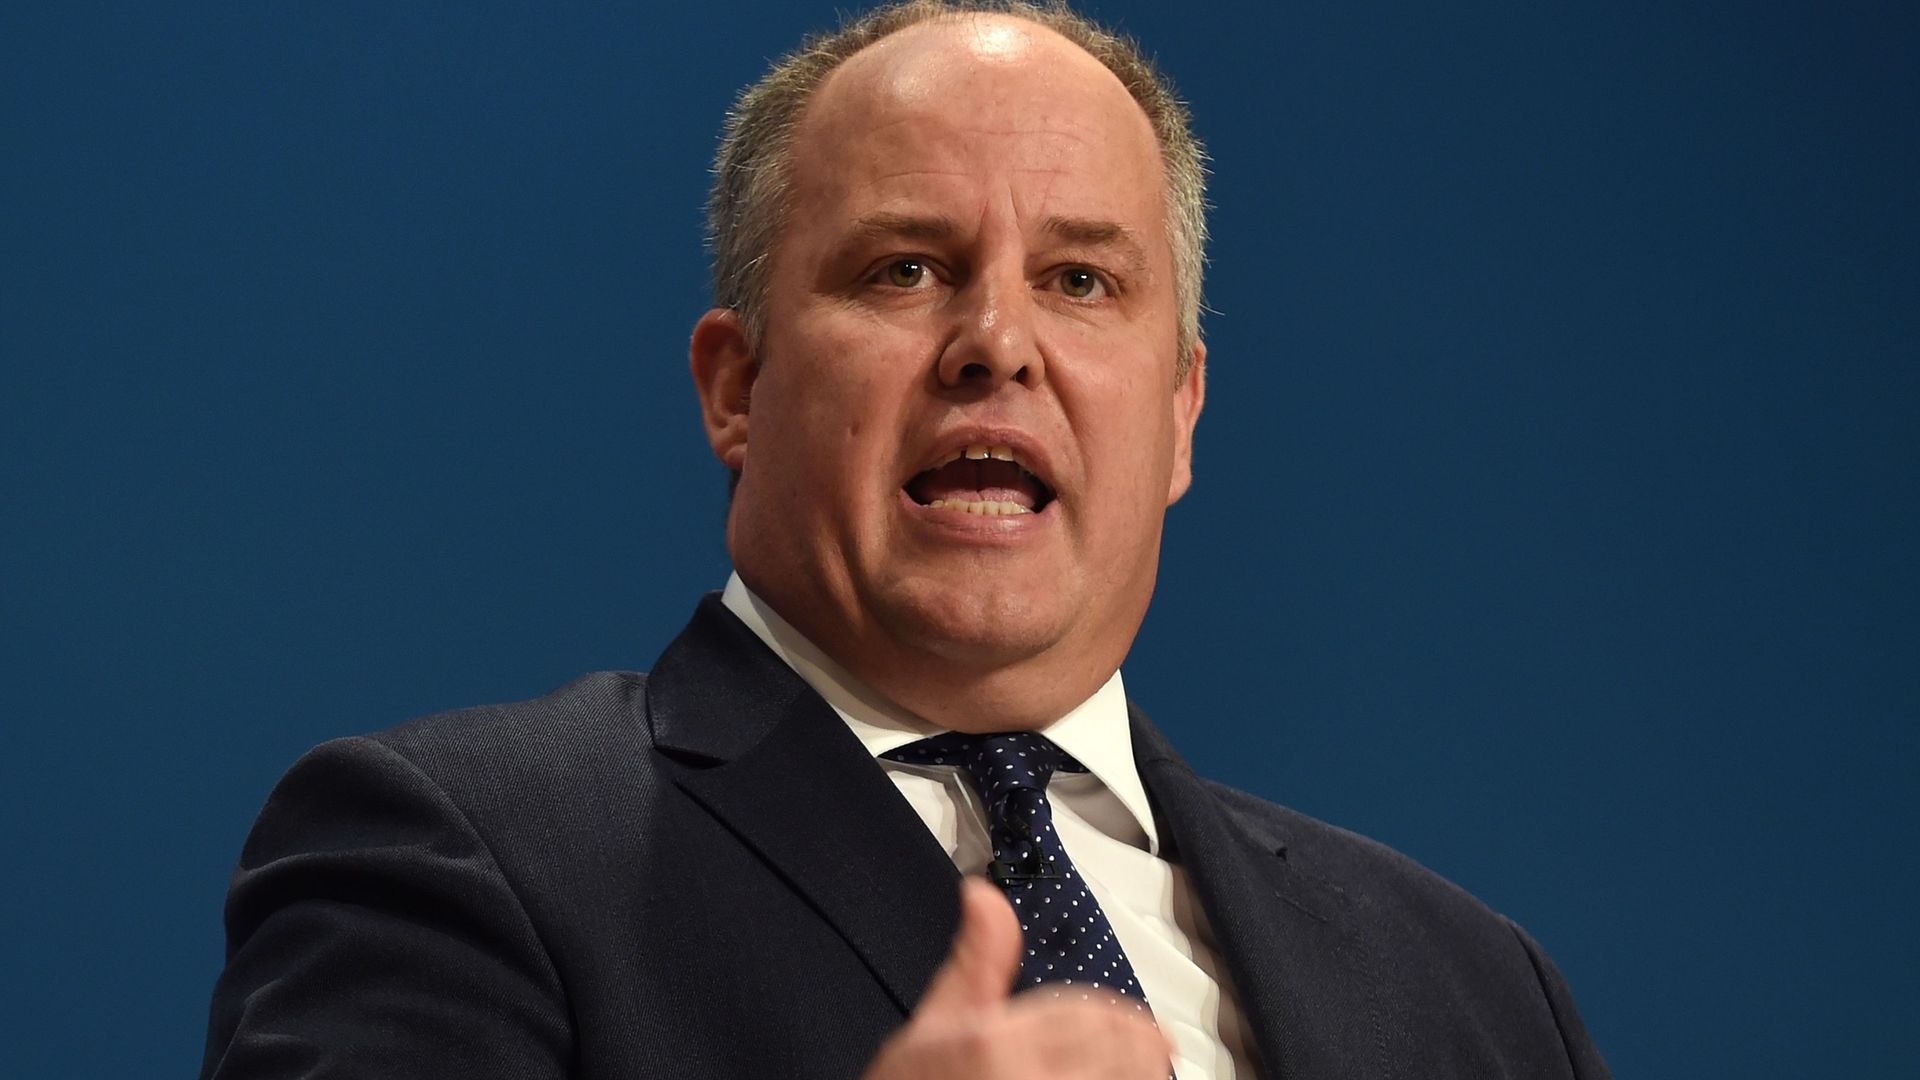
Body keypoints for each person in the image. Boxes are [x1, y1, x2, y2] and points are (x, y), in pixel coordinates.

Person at [201, 2, 1611, 1077]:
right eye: (907, 269)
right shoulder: (457, 856)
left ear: (1180, 412)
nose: (998, 344)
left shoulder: (1475, 994)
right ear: (736, 388)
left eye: (1080, 279)